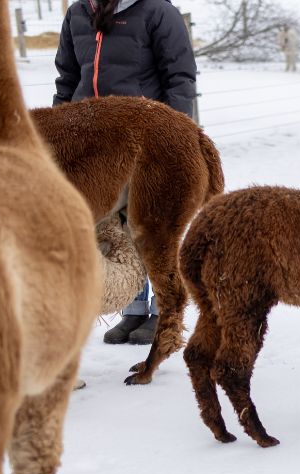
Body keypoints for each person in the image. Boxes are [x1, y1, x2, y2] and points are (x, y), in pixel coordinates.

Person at [54, 0, 198, 344]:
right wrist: (59, 130)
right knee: (114, 226)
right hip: (91, 142)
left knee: (150, 225)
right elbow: (67, 78)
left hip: (143, 139)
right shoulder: (77, 13)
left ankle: (164, 312)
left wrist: (171, 135)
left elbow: (179, 78)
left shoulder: (157, 11)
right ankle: (133, 310)